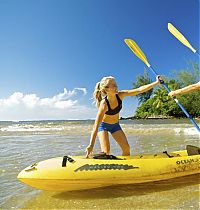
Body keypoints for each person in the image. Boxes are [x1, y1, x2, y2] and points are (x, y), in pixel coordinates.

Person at [85, 75, 161, 157]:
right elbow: (96, 126)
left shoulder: (121, 95)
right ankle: (96, 158)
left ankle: (126, 165)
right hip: (103, 126)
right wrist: (91, 145)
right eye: (113, 85)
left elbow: (139, 90)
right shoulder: (104, 104)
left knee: (126, 148)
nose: (116, 86)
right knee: (106, 152)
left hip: (115, 126)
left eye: (116, 84)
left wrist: (156, 83)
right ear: (106, 89)